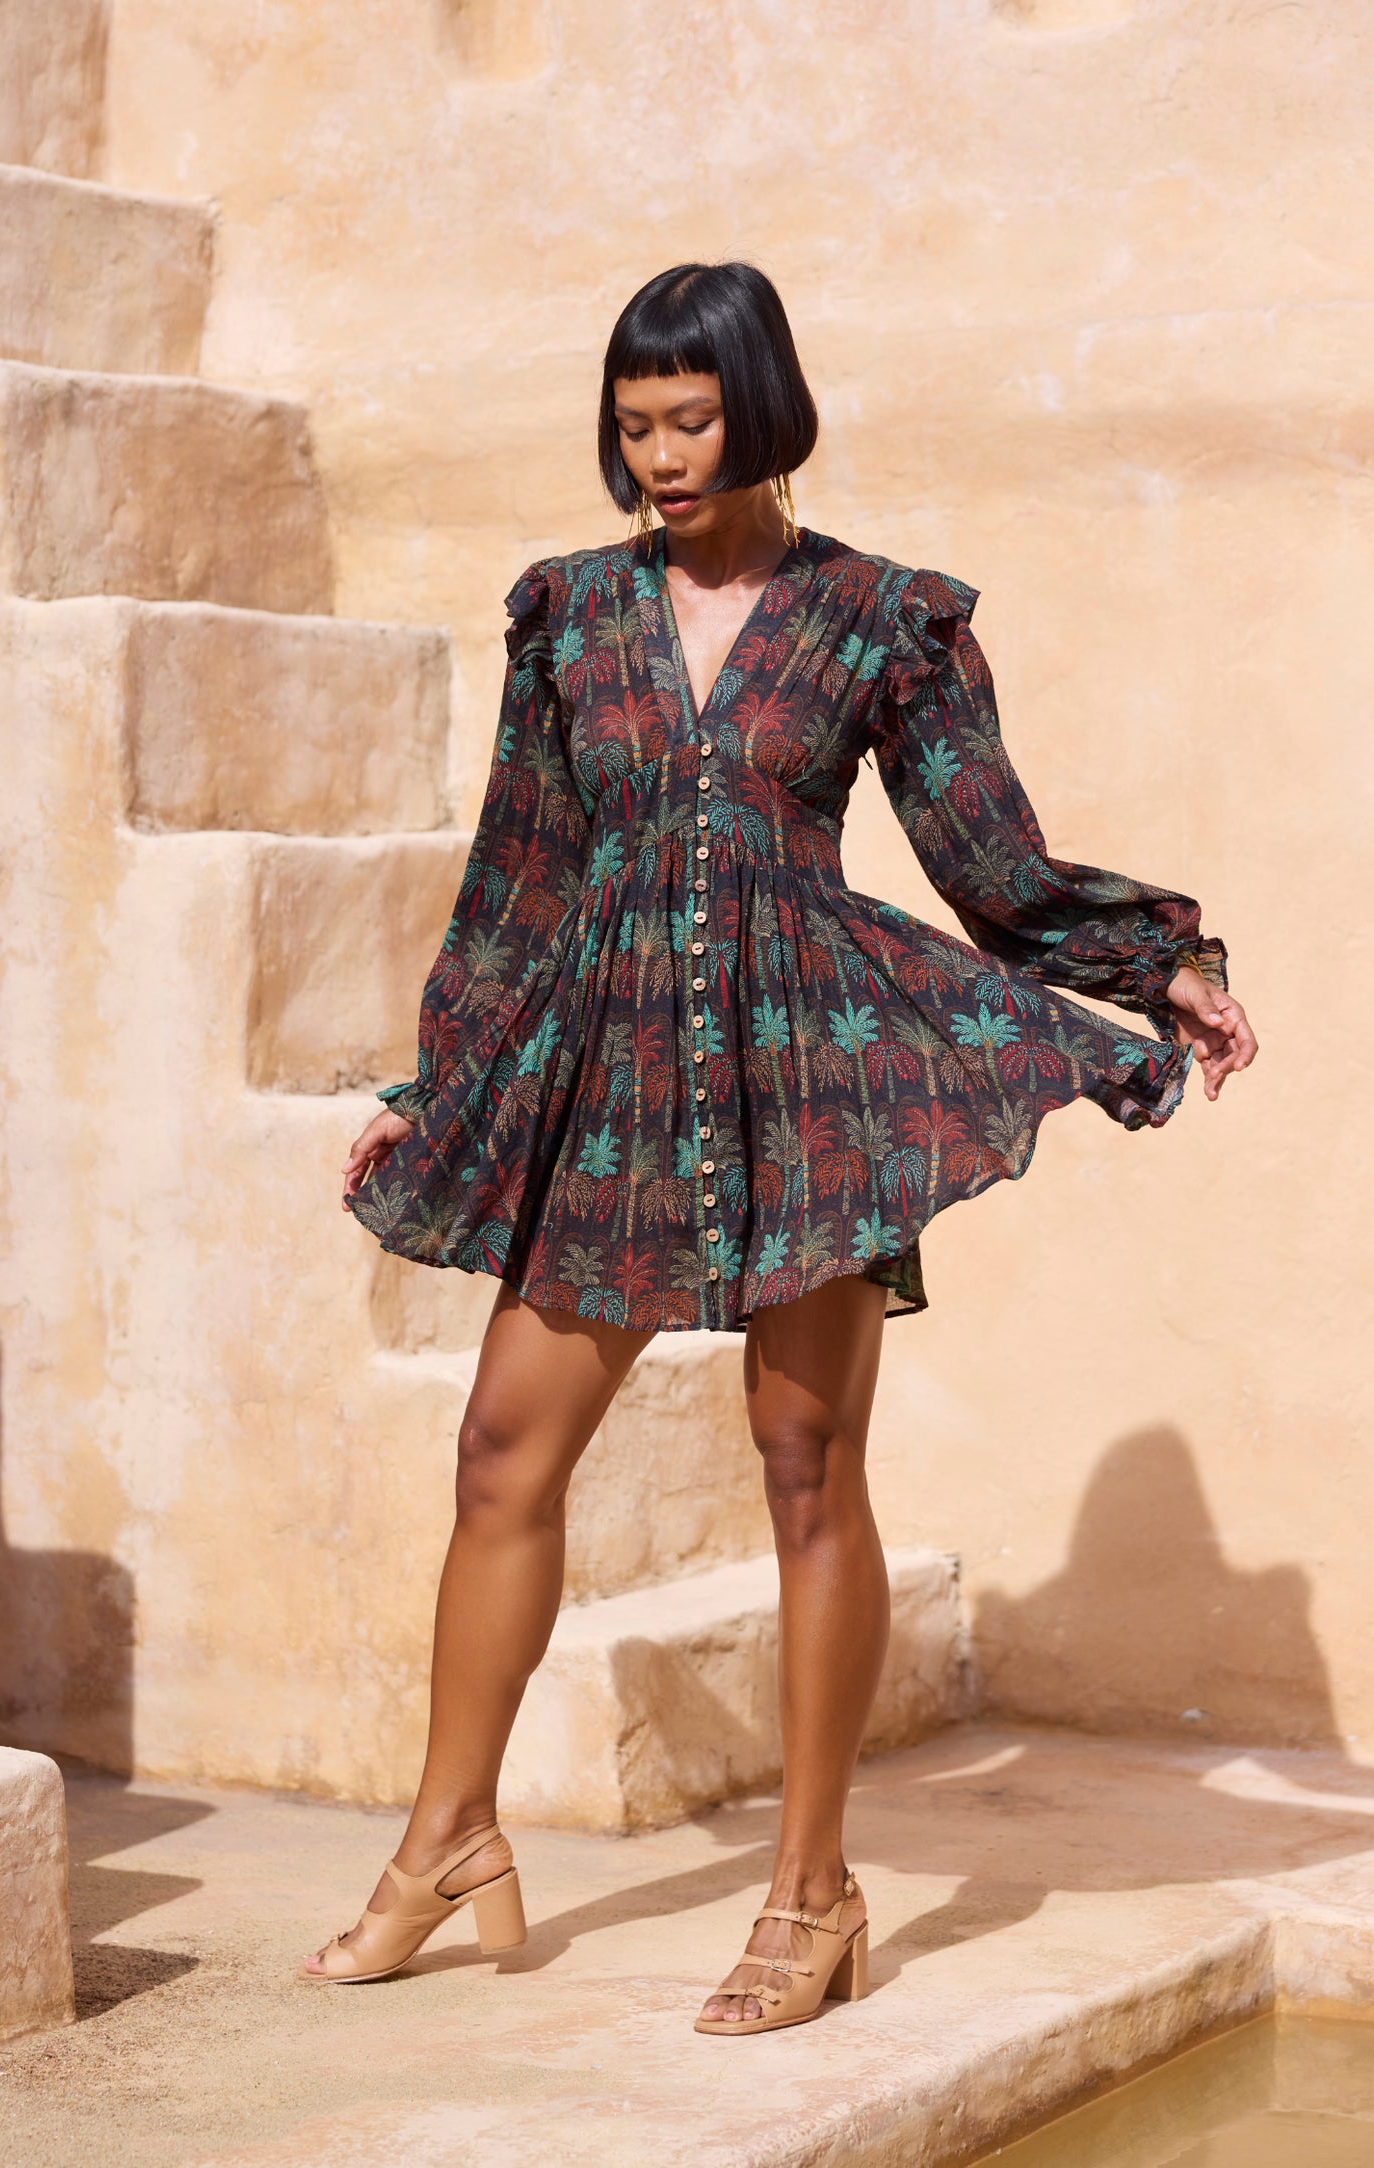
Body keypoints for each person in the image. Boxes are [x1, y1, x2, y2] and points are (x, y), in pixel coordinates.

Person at [303, 262, 1257, 2032]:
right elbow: (519, 876)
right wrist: (435, 1086)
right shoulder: (569, 612)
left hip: (810, 1077)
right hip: (604, 1076)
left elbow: (989, 862)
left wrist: (1160, 965)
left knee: (805, 1464)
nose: (660, 458)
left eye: (691, 420)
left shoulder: (879, 615)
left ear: (762, 409)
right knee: (501, 1452)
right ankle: (446, 1839)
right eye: (632, 427)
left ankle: (811, 1896)